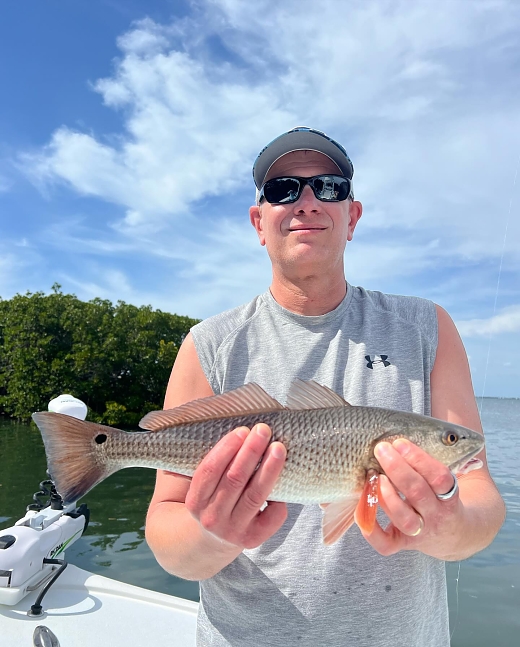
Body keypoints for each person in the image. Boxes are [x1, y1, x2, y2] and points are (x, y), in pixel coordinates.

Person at [145, 127, 505, 646]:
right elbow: (168, 534)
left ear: (352, 217)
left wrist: (447, 524)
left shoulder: (428, 327)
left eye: (329, 188)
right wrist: (213, 530)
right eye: (283, 190)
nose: (307, 202)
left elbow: (479, 495)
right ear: (259, 222)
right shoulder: (208, 345)